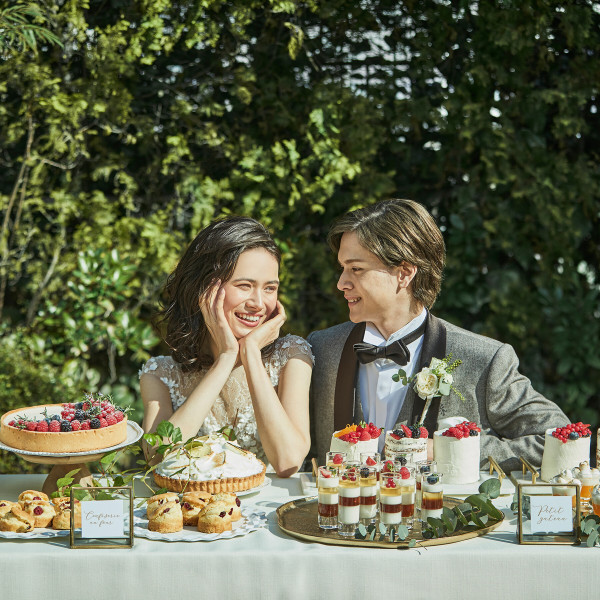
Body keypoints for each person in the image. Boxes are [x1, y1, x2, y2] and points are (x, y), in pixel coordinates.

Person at [308, 199, 569, 472]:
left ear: (404, 273)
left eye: (356, 269)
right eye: (342, 268)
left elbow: (559, 439)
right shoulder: (321, 348)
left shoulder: (484, 360)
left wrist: (450, 450)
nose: (341, 283)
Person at [140, 216, 313, 477]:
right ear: (204, 290)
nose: (258, 303)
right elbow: (158, 459)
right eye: (244, 286)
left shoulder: (292, 355)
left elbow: (288, 462)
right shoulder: (160, 374)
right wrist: (226, 358)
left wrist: (251, 353)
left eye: (269, 288)